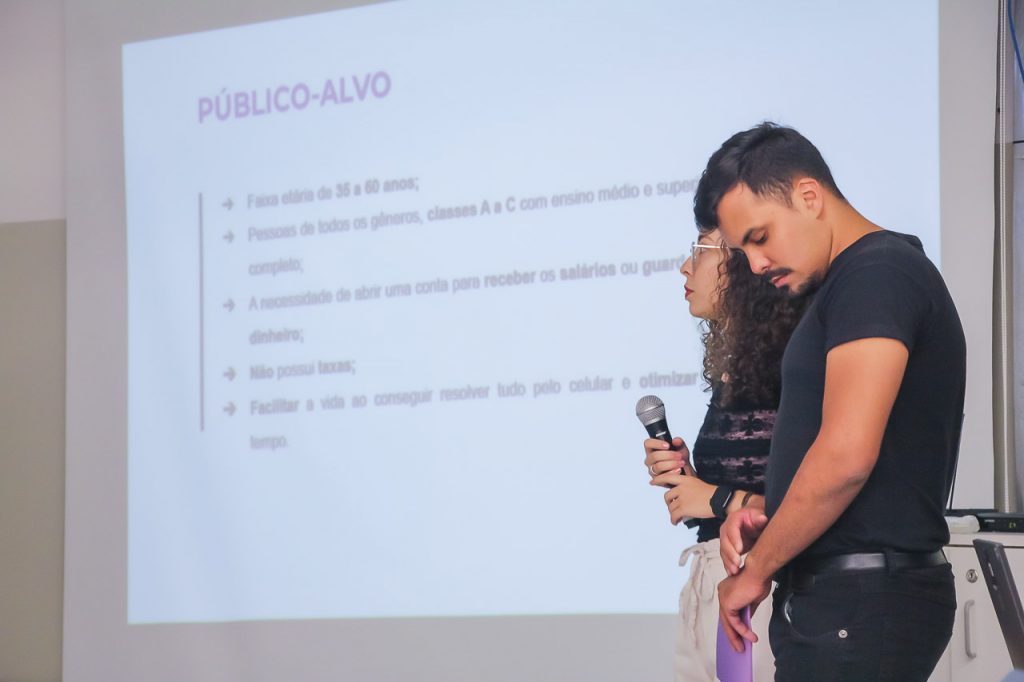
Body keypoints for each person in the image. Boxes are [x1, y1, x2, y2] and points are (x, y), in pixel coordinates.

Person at [694, 122, 966, 681]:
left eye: (760, 237)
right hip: (849, 600)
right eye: (743, 249)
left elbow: (845, 457)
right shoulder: (855, 281)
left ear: (809, 196)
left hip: (860, 601)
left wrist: (757, 569)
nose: (755, 264)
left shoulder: (877, 274)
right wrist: (774, 522)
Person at [645, 228, 806, 682]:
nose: (685, 267)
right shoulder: (739, 368)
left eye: (699, 251)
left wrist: (714, 498)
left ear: (745, 265)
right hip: (713, 583)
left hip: (764, 591)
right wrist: (691, 480)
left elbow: (813, 505)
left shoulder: (787, 368)